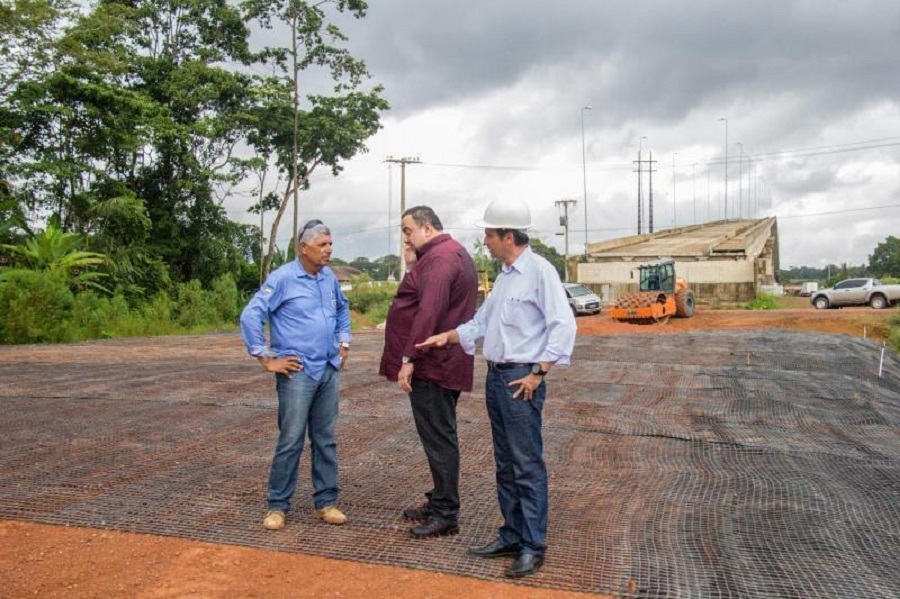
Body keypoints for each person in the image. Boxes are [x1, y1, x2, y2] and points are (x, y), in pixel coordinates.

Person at [416, 198, 576, 578]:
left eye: (489, 234)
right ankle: (511, 534)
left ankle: (533, 545)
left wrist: (539, 371)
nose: (484, 241)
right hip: (497, 377)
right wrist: (450, 336)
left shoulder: (539, 272)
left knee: (526, 464)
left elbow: (563, 324)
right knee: (505, 463)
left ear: (508, 235)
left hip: (521, 379)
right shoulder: (505, 277)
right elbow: (481, 322)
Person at [240, 219, 351, 531]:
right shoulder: (284, 278)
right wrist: (265, 358)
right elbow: (251, 314)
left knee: (325, 438)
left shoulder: (328, 278)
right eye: (322, 245)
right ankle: (277, 505)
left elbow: (343, 309)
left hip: (328, 368)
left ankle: (326, 502)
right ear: (304, 248)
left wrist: (343, 342)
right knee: (290, 439)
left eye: (330, 244)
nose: (329, 250)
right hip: (298, 371)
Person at [379, 206, 478, 539]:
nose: (405, 237)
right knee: (439, 435)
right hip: (443, 362)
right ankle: (439, 499)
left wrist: (409, 357)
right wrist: (411, 263)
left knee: (439, 438)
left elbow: (429, 311)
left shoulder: (440, 259)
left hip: (434, 365)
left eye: (407, 230)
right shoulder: (446, 254)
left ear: (426, 227)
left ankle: (446, 513)